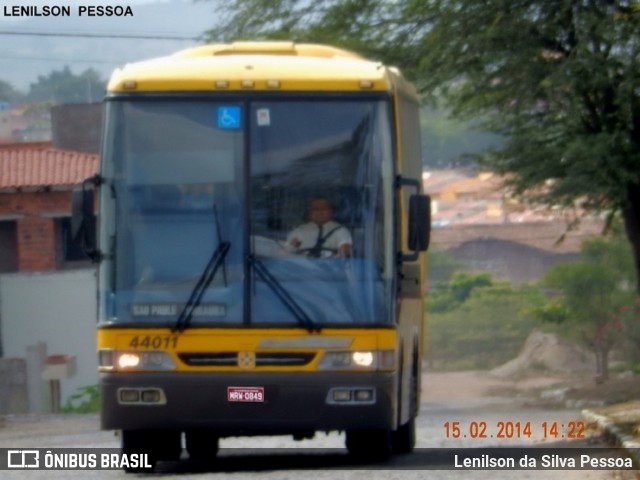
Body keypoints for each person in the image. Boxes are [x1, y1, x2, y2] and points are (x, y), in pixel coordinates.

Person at [286, 198, 352, 258]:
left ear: (332, 212)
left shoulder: (341, 231)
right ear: (309, 212)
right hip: (304, 268)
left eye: (324, 208)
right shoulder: (299, 231)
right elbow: (285, 253)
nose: (320, 212)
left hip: (330, 268)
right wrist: (291, 248)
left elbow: (345, 252)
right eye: (315, 209)